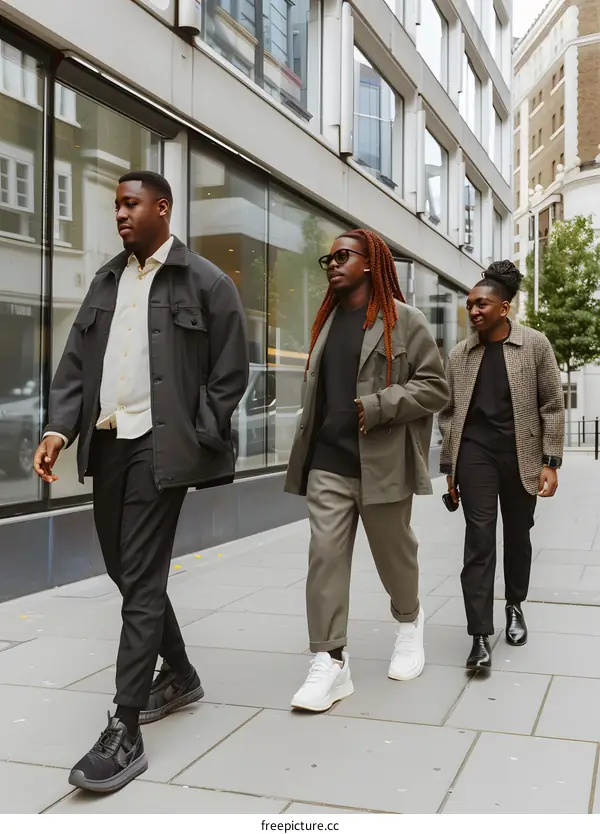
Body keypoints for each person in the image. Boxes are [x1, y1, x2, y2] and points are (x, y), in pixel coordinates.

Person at [33, 171, 249, 792]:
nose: (121, 215)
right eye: (116, 206)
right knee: (124, 567)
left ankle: (124, 729)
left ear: (162, 208)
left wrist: (197, 430)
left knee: (143, 574)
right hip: (109, 440)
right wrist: (58, 429)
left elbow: (229, 369)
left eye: (131, 204)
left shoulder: (206, 281)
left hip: (164, 446)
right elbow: (76, 362)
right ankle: (178, 672)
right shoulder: (107, 280)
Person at [284, 229, 449, 712]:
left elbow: (436, 387)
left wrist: (379, 405)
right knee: (325, 558)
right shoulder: (327, 322)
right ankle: (330, 660)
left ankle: (410, 620)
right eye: (328, 258)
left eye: (343, 255)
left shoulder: (405, 321)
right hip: (328, 463)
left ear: (370, 262)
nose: (333, 264)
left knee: (394, 555)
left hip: (382, 465)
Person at [438, 260, 564, 670]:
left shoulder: (535, 345)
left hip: (521, 453)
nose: (474, 311)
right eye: (470, 304)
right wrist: (450, 469)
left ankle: (514, 605)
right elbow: (448, 413)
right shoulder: (460, 354)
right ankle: (479, 636)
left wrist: (551, 461)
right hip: (475, 454)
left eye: (482, 304)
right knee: (479, 538)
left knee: (518, 533)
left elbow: (552, 404)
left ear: (504, 307)